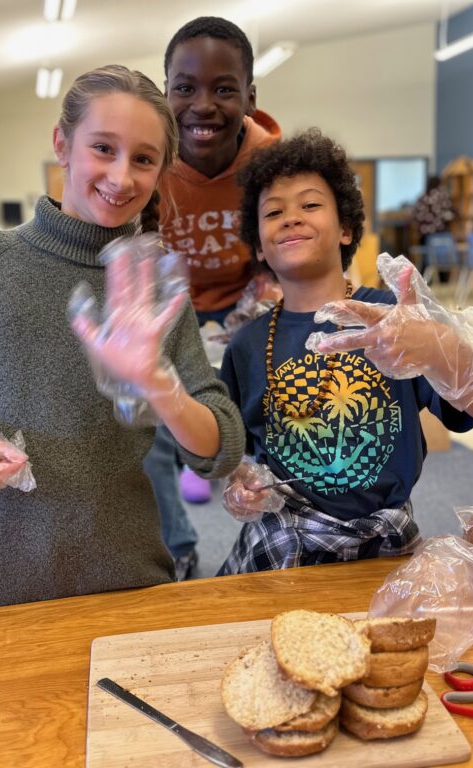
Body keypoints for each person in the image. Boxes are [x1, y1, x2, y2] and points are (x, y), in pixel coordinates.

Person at [0, 66, 244, 613]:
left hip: (121, 575)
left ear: (161, 171)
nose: (121, 176)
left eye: (145, 159)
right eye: (103, 148)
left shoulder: (150, 286)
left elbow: (219, 449)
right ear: (62, 143)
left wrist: (159, 384)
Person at [218, 129, 473, 573]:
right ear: (258, 244)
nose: (292, 218)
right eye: (274, 211)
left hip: (385, 542)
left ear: (346, 228)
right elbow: (226, 450)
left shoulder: (398, 319)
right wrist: (239, 483)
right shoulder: (246, 345)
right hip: (281, 542)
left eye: (311, 205)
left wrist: (435, 345)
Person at [143, 17, 283, 569]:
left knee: (267, 411)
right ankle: (176, 546)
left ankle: (287, 533)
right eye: (185, 88)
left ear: (250, 95)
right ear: (166, 93)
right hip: (171, 305)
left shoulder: (273, 163)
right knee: (144, 423)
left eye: (224, 89)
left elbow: (291, 253)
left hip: (247, 297)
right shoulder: (146, 159)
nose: (203, 105)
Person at [412, 176, 455, 244]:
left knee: (426, 252)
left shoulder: (422, 197)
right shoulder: (441, 196)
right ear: (439, 184)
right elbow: (448, 211)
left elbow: (415, 214)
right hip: (438, 232)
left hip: (424, 233)